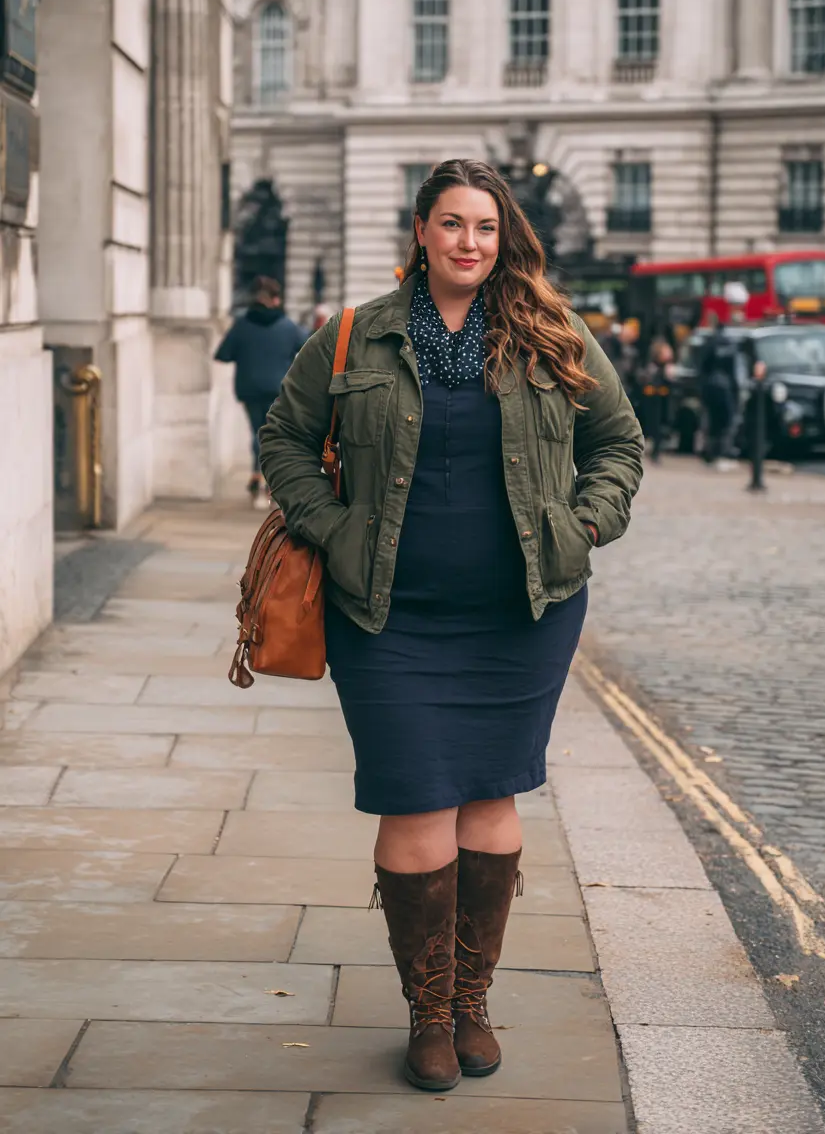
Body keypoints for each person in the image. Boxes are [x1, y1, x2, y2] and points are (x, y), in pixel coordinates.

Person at [259, 159, 643, 1093]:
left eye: (485, 227)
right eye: (452, 224)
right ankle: (428, 1014)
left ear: (501, 237)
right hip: (386, 613)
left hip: (523, 616)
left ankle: (473, 1002)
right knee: (416, 797)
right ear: (421, 233)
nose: (470, 242)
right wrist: (333, 531)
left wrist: (581, 525)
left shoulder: (554, 335)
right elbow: (283, 438)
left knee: (491, 801)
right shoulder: (353, 336)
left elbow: (619, 445)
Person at [214, 276, 306, 508]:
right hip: (277, 388)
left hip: (249, 387)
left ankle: (258, 476)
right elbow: (306, 347)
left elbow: (223, 354)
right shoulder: (287, 326)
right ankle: (268, 481)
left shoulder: (242, 325)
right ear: (276, 300)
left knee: (257, 431)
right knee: (273, 434)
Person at [699, 313, 739, 466]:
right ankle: (722, 450)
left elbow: (703, 367)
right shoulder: (730, 344)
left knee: (711, 420)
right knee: (725, 420)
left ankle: (710, 451)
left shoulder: (709, 342)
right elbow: (733, 370)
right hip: (725, 386)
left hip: (711, 386)